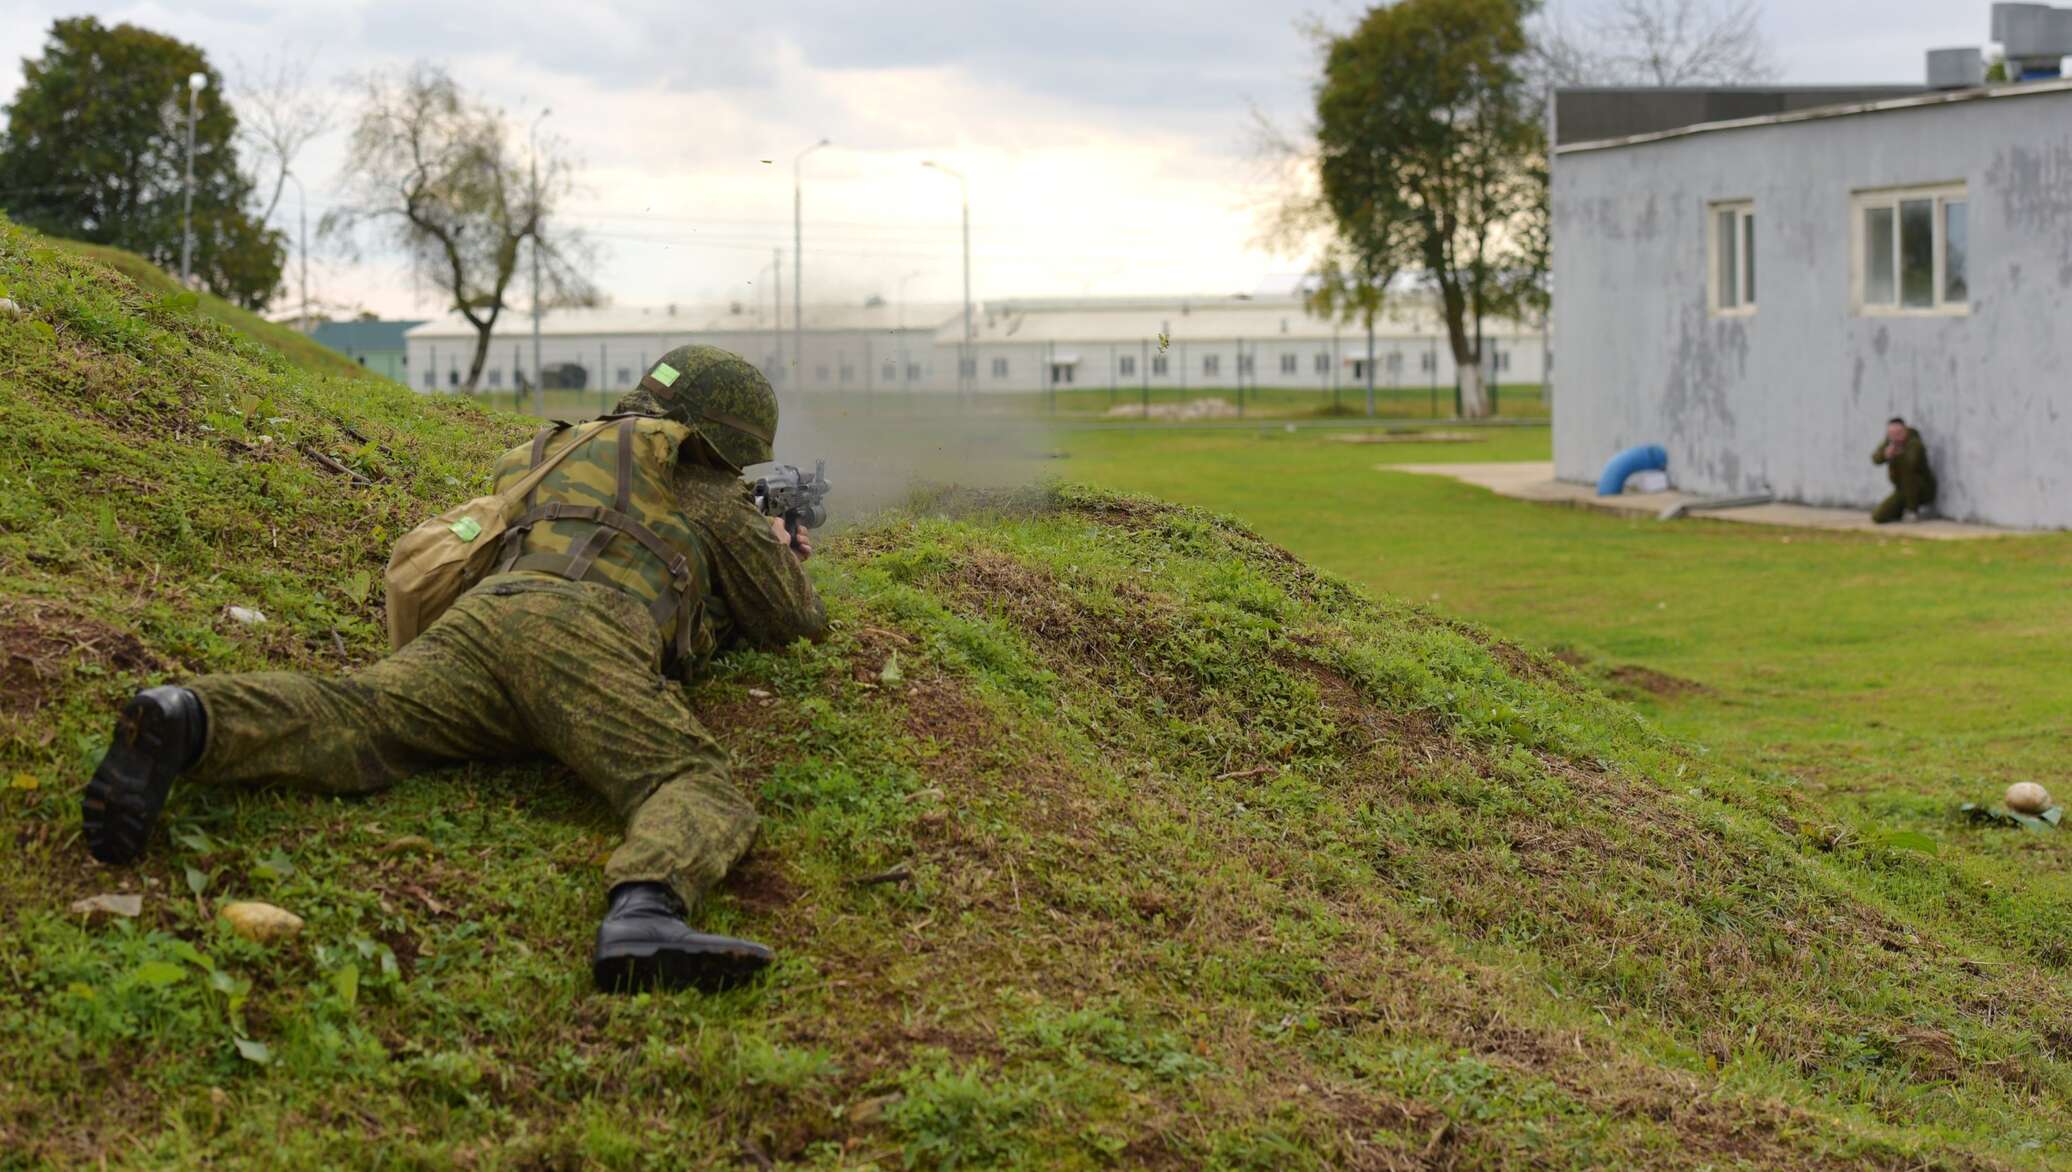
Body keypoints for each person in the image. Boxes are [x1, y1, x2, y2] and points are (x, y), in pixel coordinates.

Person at [81, 345, 827, 994]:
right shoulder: (698, 478)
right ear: (728, 432)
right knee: (690, 781)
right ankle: (645, 915)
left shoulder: (552, 451)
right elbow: (795, 621)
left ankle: (188, 718)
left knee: (360, 715)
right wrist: (777, 544)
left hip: (482, 620)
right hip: (585, 631)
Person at [1871, 416, 1937, 524]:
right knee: (1878, 516)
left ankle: (1912, 511)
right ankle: (1900, 510)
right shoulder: (1890, 442)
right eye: (1891, 434)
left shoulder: (1914, 443)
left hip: (1923, 489)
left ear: (1905, 430)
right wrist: (1886, 455)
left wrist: (1898, 454)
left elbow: (1912, 463)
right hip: (1902, 491)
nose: (1895, 437)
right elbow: (1875, 459)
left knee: (1909, 475)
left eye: (1898, 433)